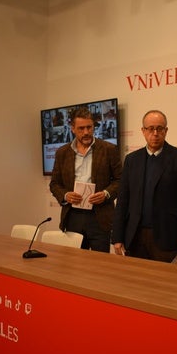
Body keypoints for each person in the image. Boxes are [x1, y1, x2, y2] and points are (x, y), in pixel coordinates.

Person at [112, 109, 177, 262]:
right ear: (143, 131)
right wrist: (117, 237)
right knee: (134, 282)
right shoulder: (131, 160)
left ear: (166, 130)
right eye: (150, 129)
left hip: (167, 237)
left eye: (160, 128)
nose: (155, 133)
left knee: (165, 283)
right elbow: (123, 201)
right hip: (134, 236)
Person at [49, 107, 122, 252]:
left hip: (100, 217)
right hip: (72, 216)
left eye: (89, 127)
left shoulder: (109, 150)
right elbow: (55, 184)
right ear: (73, 129)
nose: (86, 132)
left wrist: (106, 194)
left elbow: (121, 180)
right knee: (73, 265)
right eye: (81, 128)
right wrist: (65, 195)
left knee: (100, 267)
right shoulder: (62, 153)